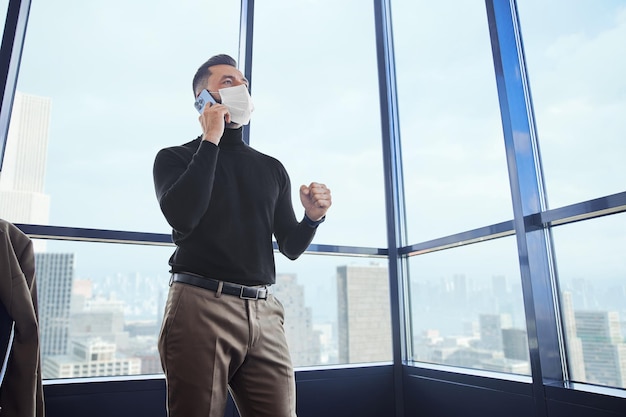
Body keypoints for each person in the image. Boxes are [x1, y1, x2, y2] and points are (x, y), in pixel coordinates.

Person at [152, 54, 331, 417]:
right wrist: (210, 140)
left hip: (264, 311)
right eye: (229, 82)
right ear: (203, 99)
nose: (242, 89)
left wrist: (311, 218)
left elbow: (291, 247)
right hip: (200, 305)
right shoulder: (174, 158)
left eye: (244, 83)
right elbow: (183, 217)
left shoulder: (271, 168)